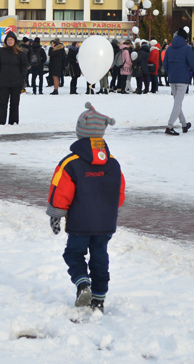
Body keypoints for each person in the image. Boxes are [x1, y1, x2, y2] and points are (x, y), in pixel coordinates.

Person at [47, 102, 125, 313]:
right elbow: (119, 194)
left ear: (79, 132)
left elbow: (59, 190)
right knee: (100, 255)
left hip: (80, 222)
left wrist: (56, 214)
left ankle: (83, 284)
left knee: (74, 253)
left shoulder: (70, 163)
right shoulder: (113, 163)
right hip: (105, 222)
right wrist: (107, 210)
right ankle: (99, 298)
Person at [163, 32, 194, 135]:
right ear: (185, 39)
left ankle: (184, 125)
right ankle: (169, 126)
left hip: (172, 79)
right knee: (178, 103)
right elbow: (193, 63)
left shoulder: (170, 49)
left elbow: (165, 63)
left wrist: (170, 73)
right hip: (182, 79)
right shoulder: (187, 48)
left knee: (177, 102)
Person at [0, 31, 28, 125]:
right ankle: (0, 122)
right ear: (6, 41)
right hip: (3, 81)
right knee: (2, 103)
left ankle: (13, 122)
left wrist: (22, 76)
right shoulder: (1, 51)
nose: (10, 41)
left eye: (11, 39)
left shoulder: (20, 53)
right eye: (8, 39)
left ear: (15, 41)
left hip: (16, 82)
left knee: (14, 103)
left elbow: (24, 65)